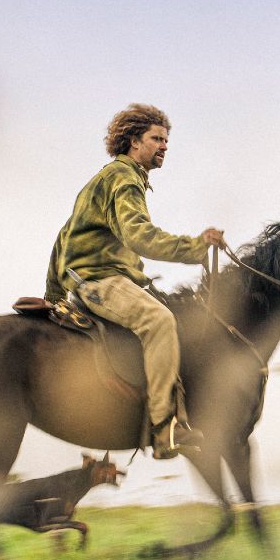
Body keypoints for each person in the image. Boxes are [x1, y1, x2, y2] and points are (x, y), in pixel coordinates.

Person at [46, 104, 226, 459]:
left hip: (92, 279)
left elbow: (63, 237)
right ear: (133, 141)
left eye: (166, 140)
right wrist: (195, 246)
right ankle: (164, 430)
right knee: (159, 320)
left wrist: (53, 293)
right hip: (101, 281)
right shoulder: (124, 178)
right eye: (156, 138)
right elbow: (139, 236)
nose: (164, 146)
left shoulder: (104, 179)